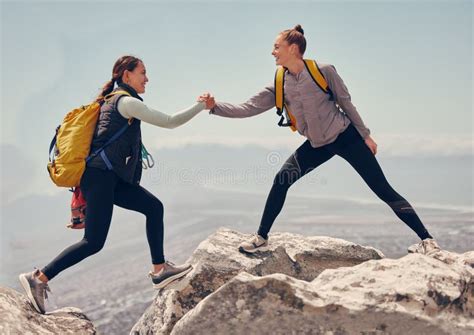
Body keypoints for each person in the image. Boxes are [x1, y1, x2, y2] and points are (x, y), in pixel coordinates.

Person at [203, 25, 440, 256]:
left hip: (347, 137)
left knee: (382, 189)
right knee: (281, 180)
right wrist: (215, 107)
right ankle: (261, 237)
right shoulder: (280, 82)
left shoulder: (323, 71)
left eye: (277, 47)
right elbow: (248, 107)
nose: (273, 52)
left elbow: (346, 103)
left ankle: (427, 240)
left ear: (293, 48)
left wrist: (365, 135)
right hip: (317, 145)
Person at [19, 55, 214, 314]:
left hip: (108, 178)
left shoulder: (113, 102)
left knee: (153, 207)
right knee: (93, 242)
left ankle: (159, 270)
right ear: (126, 75)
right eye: (142, 72)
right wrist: (201, 105)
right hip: (100, 177)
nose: (147, 78)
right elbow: (170, 121)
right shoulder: (125, 102)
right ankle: (38, 278)